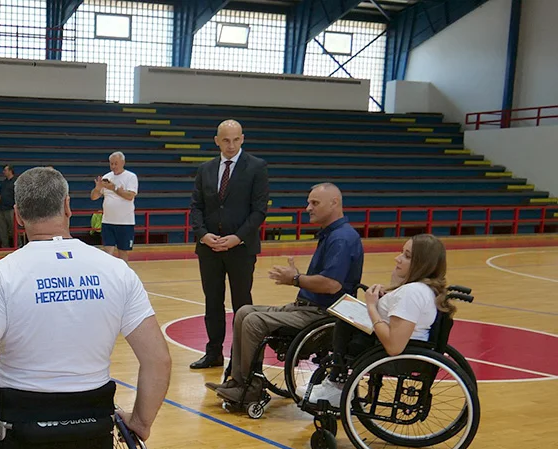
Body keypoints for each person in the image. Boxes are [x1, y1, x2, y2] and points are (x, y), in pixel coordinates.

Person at [0, 166, 171, 449]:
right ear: (68, 207)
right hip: (93, 419)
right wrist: (141, 421)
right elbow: (158, 359)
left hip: (21, 424)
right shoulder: (117, 270)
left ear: (19, 216)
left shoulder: (2, 274)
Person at [211, 183, 364, 406]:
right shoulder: (333, 234)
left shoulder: (341, 238)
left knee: (253, 320)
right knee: (243, 311)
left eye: (314, 203)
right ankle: (237, 381)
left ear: (334, 203)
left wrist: (295, 279)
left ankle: (249, 388)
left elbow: (331, 285)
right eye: (308, 202)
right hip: (308, 307)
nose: (308, 208)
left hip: (323, 314)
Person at [311, 234, 452, 407]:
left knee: (342, 325)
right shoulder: (421, 289)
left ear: (421, 264)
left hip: (393, 355)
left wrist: (371, 306)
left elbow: (394, 346)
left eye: (407, 256)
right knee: (345, 316)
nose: (397, 258)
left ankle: (337, 384)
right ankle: (336, 382)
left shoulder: (412, 293)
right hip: (401, 346)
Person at [189, 120, 270, 370]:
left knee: (242, 304)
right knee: (212, 302)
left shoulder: (257, 167)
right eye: (226, 140)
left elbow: (259, 211)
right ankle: (213, 353)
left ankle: (240, 356)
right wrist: (203, 235)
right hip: (209, 248)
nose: (231, 145)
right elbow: (196, 207)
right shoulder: (205, 169)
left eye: (235, 139)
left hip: (241, 249)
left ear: (242, 138)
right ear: (217, 141)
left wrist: (238, 237)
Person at [89, 151, 139, 262]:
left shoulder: (131, 177)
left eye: (116, 163)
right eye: (111, 164)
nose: (113, 166)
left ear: (123, 162)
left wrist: (114, 188)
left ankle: (123, 276)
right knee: (107, 252)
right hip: (107, 221)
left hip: (125, 222)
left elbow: (130, 196)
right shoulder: (107, 177)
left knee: (123, 252)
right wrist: (97, 189)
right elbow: (94, 197)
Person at [0, 165, 17, 248]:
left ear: (10, 171)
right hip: (1, 208)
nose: (4, 172)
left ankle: (17, 245)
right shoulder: (3, 182)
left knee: (13, 229)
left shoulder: (15, 182)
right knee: (2, 229)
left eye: (5, 170)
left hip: (11, 208)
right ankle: (5, 246)